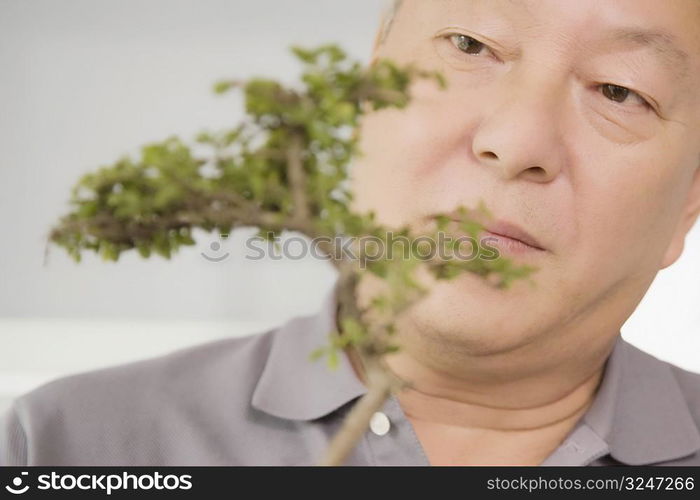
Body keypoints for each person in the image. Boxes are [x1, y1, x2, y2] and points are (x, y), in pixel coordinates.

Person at [2, 0, 700, 466]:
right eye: (470, 44)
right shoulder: (67, 445)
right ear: (367, 90)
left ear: (689, 204)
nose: (516, 141)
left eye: (619, 91)